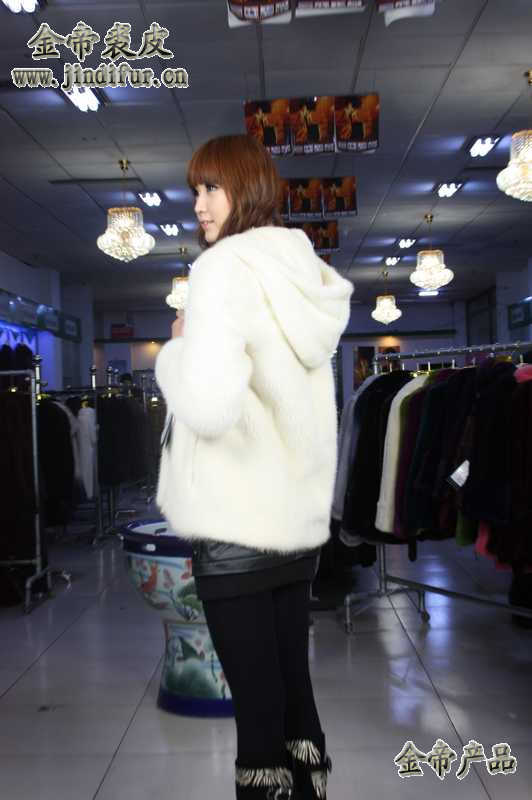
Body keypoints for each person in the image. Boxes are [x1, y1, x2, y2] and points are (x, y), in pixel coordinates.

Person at [155, 134, 353, 799]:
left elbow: (209, 408)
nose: (199, 205)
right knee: (295, 695)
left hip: (236, 527)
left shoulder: (221, 270)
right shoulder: (301, 271)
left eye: (212, 188)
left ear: (247, 187)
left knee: (259, 719)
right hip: (294, 529)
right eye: (195, 190)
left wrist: (176, 353)